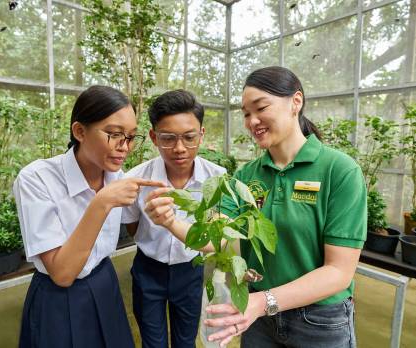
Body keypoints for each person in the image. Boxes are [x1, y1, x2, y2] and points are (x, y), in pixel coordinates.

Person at [143, 67, 367, 348]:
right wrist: (170, 221)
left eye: (260, 108)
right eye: (246, 114)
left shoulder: (339, 171)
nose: (252, 121)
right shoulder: (245, 177)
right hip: (259, 319)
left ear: (296, 102)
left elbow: (338, 272)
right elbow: (217, 238)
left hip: (319, 321)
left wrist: (263, 302)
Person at [13, 85, 165, 348]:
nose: (124, 147)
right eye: (114, 134)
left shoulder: (117, 175)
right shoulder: (37, 179)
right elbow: (62, 273)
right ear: (79, 131)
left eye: (130, 137)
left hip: (104, 282)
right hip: (58, 297)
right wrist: (101, 202)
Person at [121, 89, 226, 348]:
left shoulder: (216, 179)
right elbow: (133, 227)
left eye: (189, 137)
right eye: (168, 139)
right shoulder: (137, 179)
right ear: (154, 137)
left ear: (201, 135)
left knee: (185, 341)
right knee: (152, 341)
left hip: (190, 269)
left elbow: (215, 234)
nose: (179, 149)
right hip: (148, 270)